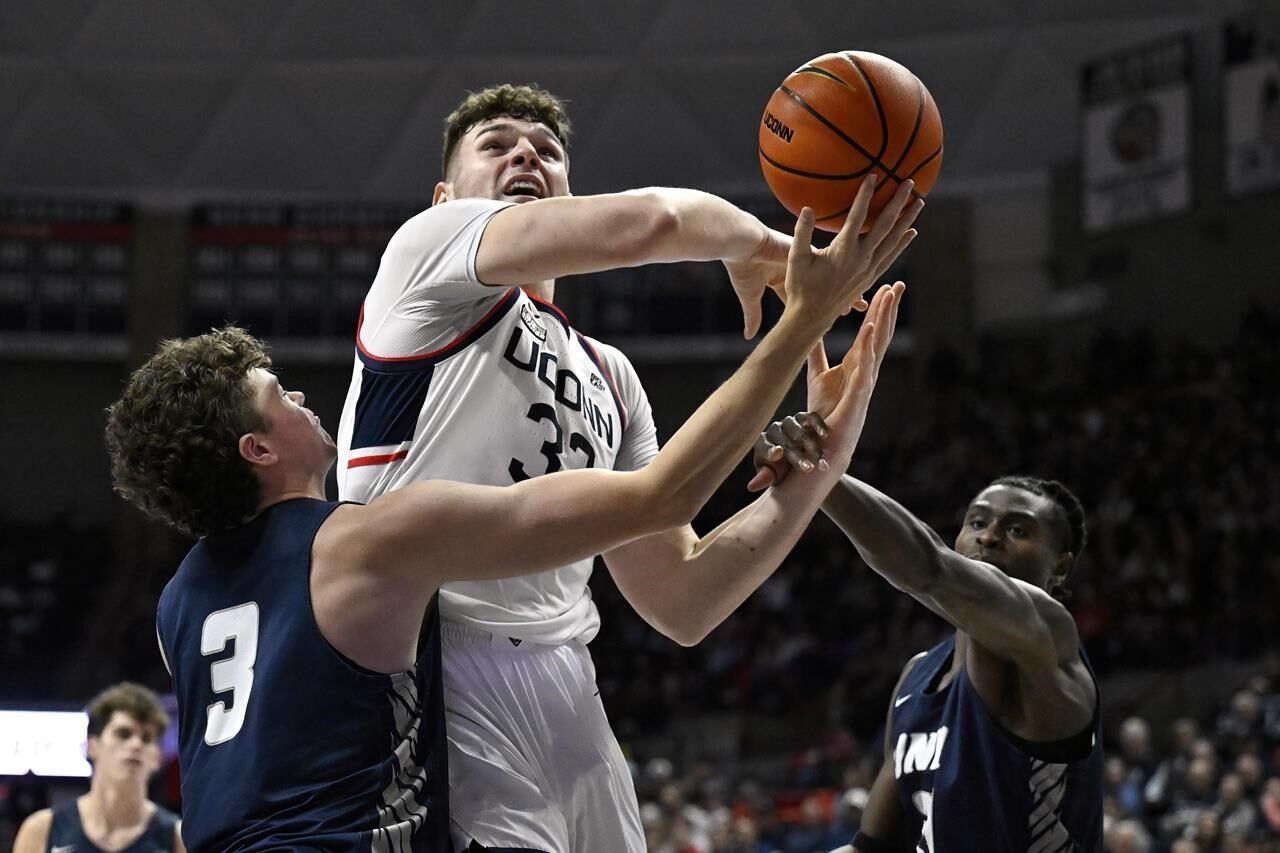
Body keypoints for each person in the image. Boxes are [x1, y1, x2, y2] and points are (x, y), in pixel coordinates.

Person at [103, 187, 907, 851]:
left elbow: (681, 588)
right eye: (280, 395)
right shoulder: (368, 536)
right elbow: (662, 495)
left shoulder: (178, 603)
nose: (302, 395)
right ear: (255, 449)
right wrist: (805, 313)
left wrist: (816, 459)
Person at [335, 82, 923, 852]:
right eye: (498, 143)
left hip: (570, 687)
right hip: (438, 662)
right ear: (446, 194)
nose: (526, 153)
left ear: (566, 189)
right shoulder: (426, 251)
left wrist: (824, 461)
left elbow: (681, 596)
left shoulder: (611, 375)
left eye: (548, 151)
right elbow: (652, 221)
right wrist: (763, 246)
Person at [752, 376, 1103, 851]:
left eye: (1018, 529)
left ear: (1059, 566)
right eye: (976, 522)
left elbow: (929, 568)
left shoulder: (1049, 644)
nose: (989, 537)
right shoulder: (918, 676)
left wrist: (821, 471)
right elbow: (868, 848)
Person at [13, 682, 184, 853]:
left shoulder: (177, 836)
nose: (136, 745)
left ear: (157, 758)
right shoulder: (41, 830)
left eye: (147, 739)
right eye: (124, 734)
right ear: (92, 746)